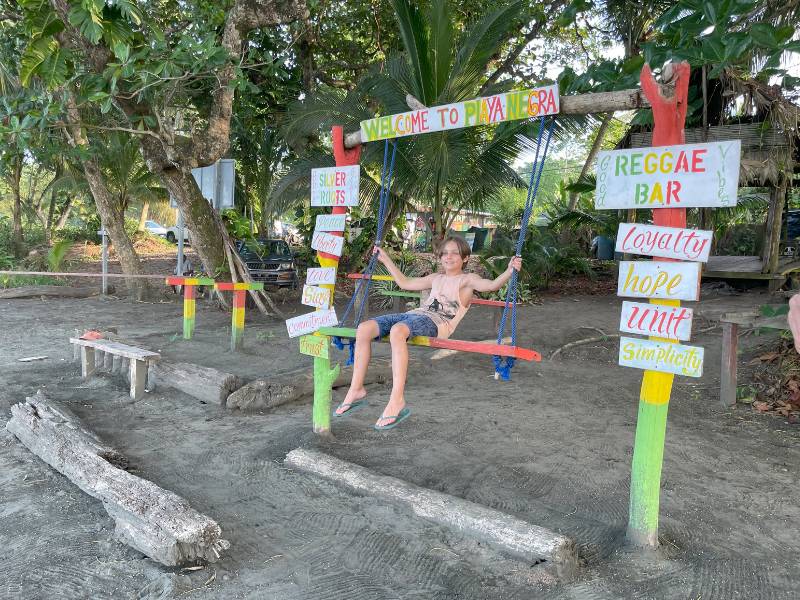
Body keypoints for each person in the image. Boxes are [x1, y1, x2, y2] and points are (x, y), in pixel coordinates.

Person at [334, 236, 523, 430]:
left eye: (455, 253)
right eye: (445, 253)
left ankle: (397, 400)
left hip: (437, 323)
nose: (448, 257)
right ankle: (356, 389)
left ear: (465, 258)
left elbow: (491, 285)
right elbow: (405, 282)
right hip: (415, 316)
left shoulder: (468, 280)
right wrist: (386, 259)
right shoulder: (436, 278)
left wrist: (509, 270)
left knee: (397, 331)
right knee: (364, 329)